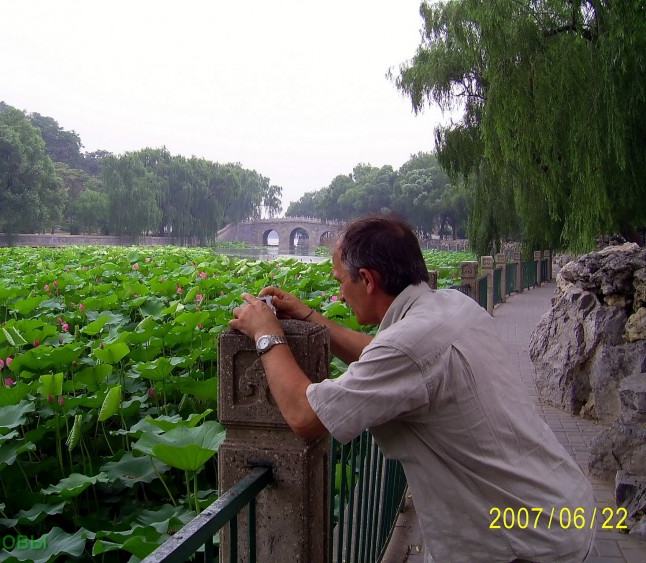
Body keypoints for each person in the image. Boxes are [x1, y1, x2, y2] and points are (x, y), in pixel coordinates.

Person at [229, 213, 595, 563]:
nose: (340, 293)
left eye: (341, 280)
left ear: (368, 280)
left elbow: (305, 415)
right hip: (559, 506)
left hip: (523, 544)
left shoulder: (409, 344)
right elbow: (381, 355)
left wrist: (266, 334)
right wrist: (310, 317)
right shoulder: (451, 306)